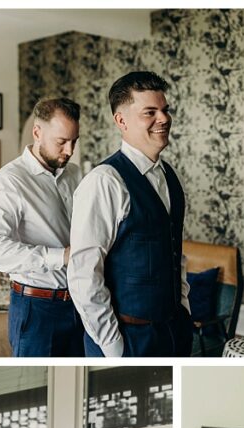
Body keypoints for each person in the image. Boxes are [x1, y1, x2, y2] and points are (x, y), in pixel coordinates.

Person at [68, 71, 192, 358]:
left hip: (174, 330)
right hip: (128, 339)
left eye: (165, 110)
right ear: (121, 121)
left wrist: (183, 308)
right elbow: (84, 273)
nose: (163, 119)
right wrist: (114, 346)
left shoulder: (170, 176)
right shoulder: (105, 181)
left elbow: (174, 251)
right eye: (150, 112)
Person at [0, 97, 84, 357]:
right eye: (61, 141)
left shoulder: (76, 175)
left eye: (74, 141)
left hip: (82, 302)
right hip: (36, 308)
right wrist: (60, 256)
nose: (69, 150)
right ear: (37, 132)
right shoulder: (8, 182)